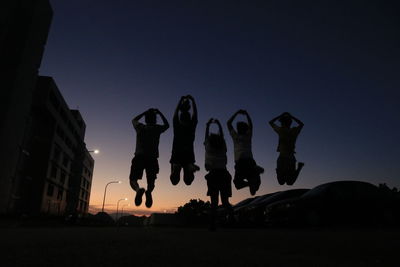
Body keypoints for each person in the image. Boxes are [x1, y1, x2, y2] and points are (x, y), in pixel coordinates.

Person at [129, 108, 169, 208]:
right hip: (152, 158)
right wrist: (159, 113)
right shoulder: (157, 128)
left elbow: (133, 120)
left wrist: (144, 112)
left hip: (139, 157)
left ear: (146, 119)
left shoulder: (140, 127)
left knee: (133, 179)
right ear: (155, 120)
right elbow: (167, 125)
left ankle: (138, 190)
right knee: (151, 181)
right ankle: (149, 192)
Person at [204, 118, 233, 230]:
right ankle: (231, 218)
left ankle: (212, 225)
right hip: (224, 174)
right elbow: (222, 136)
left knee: (214, 203)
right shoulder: (222, 147)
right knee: (225, 202)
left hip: (214, 175)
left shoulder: (208, 147)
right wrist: (219, 124)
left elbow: (206, 136)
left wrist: (208, 125)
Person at [227, 110, 264, 196]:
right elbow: (251, 125)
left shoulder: (235, 136)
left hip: (240, 163)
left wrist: (236, 113)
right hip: (249, 162)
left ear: (238, 129)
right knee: (254, 187)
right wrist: (247, 114)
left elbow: (228, 123)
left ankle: (252, 181)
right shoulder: (248, 136)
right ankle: (253, 180)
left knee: (238, 184)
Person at [170, 95, 200, 186]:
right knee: (188, 182)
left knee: (174, 181)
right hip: (189, 154)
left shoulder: (177, 126)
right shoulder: (191, 127)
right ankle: (188, 166)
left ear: (180, 118)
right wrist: (193, 100)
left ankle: (177, 167)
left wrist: (180, 100)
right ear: (189, 118)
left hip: (177, 153)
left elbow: (175, 114)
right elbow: (195, 114)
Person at [269, 112, 304, 185]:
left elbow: (271, 122)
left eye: (282, 123)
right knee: (287, 182)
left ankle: (299, 168)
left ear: (283, 123)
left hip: (284, 157)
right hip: (288, 157)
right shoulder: (293, 130)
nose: (281, 124)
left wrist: (281, 115)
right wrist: (291, 116)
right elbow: (301, 124)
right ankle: (298, 168)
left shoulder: (281, 130)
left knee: (284, 182)